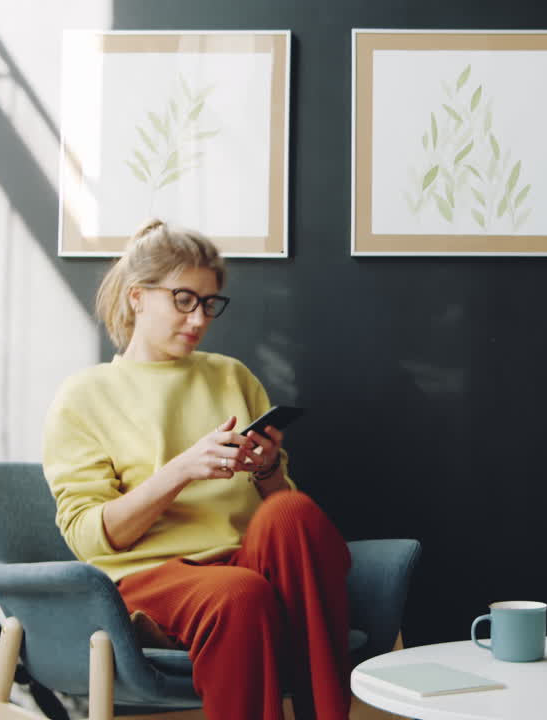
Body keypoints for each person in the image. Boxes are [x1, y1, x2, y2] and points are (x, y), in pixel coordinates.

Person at [42, 218, 351, 720]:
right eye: (183, 300)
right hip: (149, 578)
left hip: (246, 563)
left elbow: (286, 522)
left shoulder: (232, 375)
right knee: (240, 595)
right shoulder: (85, 395)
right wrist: (181, 470)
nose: (199, 319)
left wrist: (267, 470)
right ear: (138, 296)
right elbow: (88, 538)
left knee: (292, 510)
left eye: (209, 304)